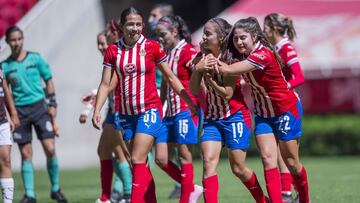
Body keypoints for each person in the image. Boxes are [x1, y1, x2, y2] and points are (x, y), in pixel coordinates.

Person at [92, 7, 197, 203]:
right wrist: (97, 109)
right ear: (123, 27)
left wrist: (189, 100)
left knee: (138, 159)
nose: (135, 28)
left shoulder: (152, 47)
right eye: (131, 24)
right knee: (139, 164)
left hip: (149, 110)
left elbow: (171, 77)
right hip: (126, 114)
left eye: (139, 24)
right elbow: (105, 83)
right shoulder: (113, 51)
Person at [214, 17, 310, 203]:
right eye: (235, 38)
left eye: (243, 38)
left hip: (285, 110)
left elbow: (230, 70)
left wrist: (208, 63)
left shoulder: (263, 54)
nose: (239, 42)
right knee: (267, 159)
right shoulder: (240, 54)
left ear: (255, 36)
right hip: (264, 115)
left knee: (292, 163)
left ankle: (305, 200)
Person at [189, 17, 268, 203]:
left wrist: (209, 79)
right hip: (212, 119)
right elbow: (193, 90)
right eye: (204, 34)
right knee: (208, 164)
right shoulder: (201, 57)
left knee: (238, 169)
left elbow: (227, 94)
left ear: (222, 37)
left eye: (208, 33)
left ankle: (262, 200)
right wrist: (198, 69)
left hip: (235, 117)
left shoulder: (231, 59)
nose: (204, 37)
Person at [2, 26, 68, 203]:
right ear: (7, 42)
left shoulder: (36, 58)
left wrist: (53, 103)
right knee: (26, 154)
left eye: (19, 39)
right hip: (20, 113)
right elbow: (5, 94)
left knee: (50, 148)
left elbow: (48, 79)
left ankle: (55, 189)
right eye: (13, 40)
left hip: (40, 108)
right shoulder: (5, 66)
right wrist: (11, 114)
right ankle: (30, 194)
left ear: (23, 39)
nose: (16, 43)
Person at [79, 27, 132, 203]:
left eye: (103, 42)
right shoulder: (109, 56)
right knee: (106, 150)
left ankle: (127, 194)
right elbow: (106, 86)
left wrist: (94, 96)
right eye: (98, 44)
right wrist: (91, 106)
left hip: (121, 109)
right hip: (113, 110)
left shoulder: (118, 55)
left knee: (125, 153)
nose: (101, 46)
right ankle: (110, 196)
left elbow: (111, 85)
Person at [154, 15, 203, 203]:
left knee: (184, 156)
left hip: (186, 110)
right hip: (169, 114)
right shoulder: (165, 53)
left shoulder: (188, 51)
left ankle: (186, 198)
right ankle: (192, 188)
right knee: (160, 158)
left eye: (162, 34)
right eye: (157, 35)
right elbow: (167, 83)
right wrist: (160, 108)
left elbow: (201, 81)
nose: (160, 38)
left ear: (174, 32)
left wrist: (201, 107)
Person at [264, 13, 305, 203]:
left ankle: (298, 195)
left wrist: (282, 87)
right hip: (277, 105)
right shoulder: (275, 48)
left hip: (288, 104)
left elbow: (299, 77)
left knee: (291, 157)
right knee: (281, 153)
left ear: (272, 28)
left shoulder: (286, 48)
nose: (263, 30)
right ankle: (287, 193)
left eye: (265, 26)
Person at [0, 49, 20, 203]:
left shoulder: (0, 67)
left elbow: (4, 90)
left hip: (2, 121)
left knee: (6, 159)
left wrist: (11, 113)